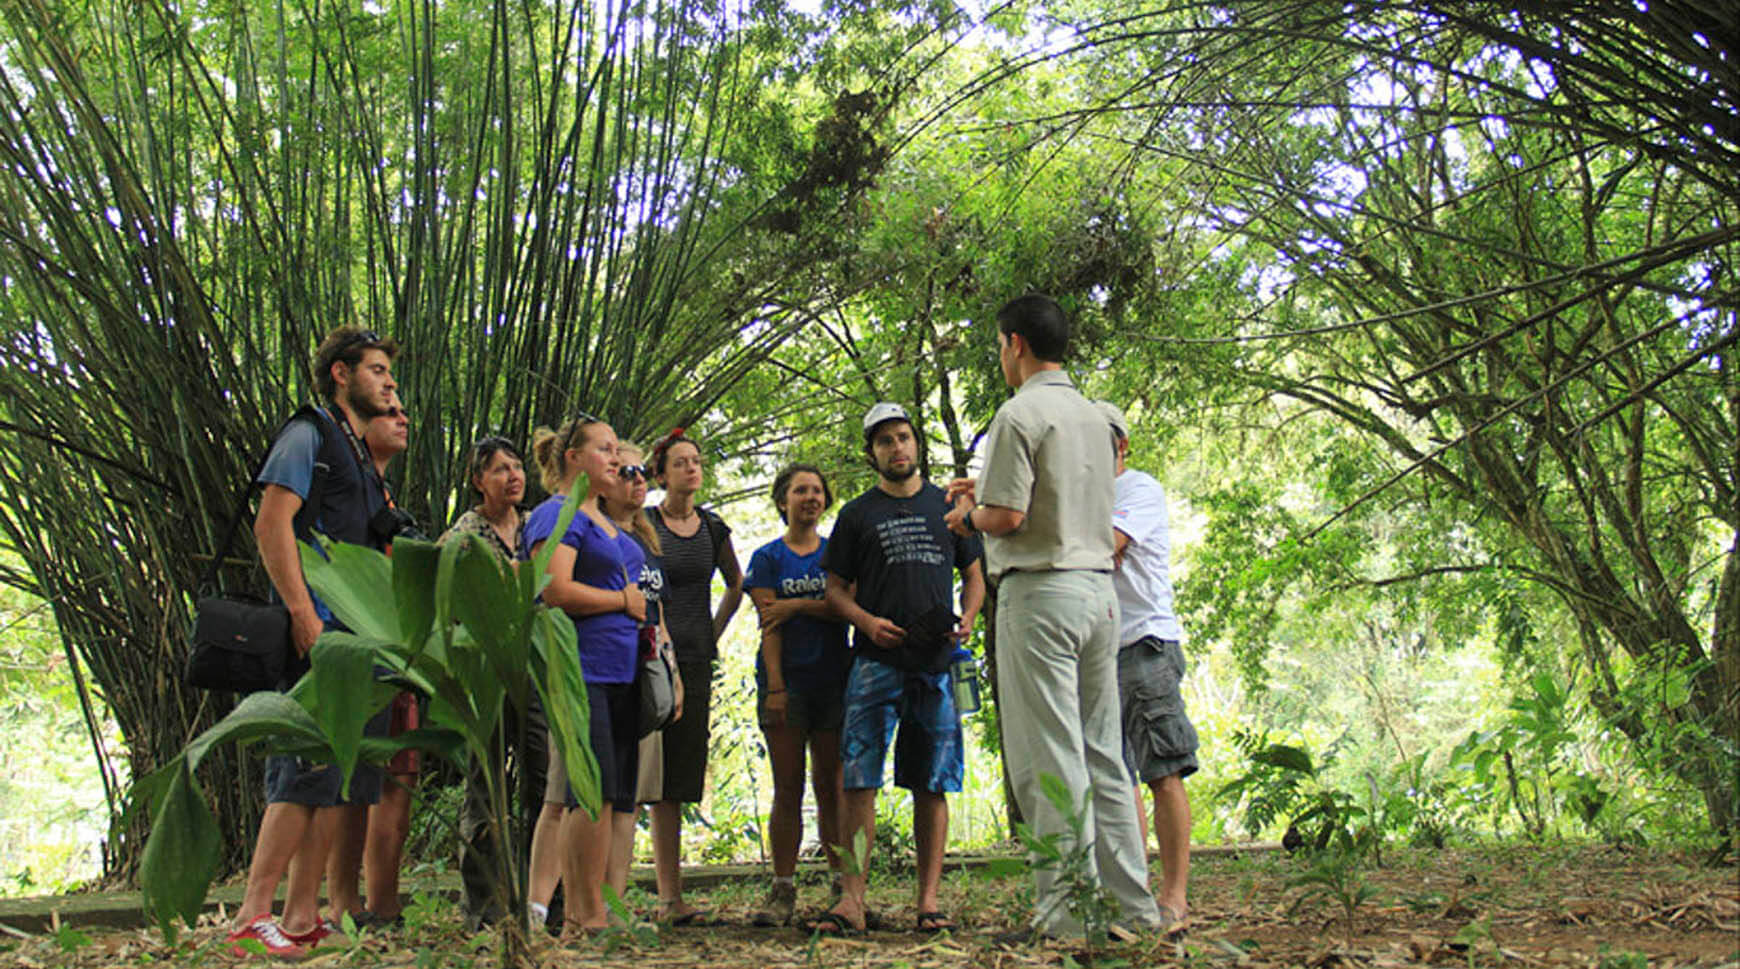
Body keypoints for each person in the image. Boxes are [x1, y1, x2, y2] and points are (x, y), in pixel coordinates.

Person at [944, 294, 1161, 942]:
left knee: (1049, 757)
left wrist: (966, 514)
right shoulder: (1096, 419)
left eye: (1000, 346)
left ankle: (1067, 919)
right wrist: (985, 496)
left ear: (1014, 343)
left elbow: (1006, 517)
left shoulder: (1020, 413)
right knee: (1103, 753)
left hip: (1040, 594)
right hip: (1099, 592)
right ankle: (1133, 910)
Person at [227, 326, 401, 958]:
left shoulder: (356, 450)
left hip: (357, 639)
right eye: (377, 370)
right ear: (340, 373)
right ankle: (252, 913)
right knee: (299, 773)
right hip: (319, 633)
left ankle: (301, 916)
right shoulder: (310, 434)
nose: (388, 382)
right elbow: (272, 522)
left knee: (333, 780)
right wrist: (303, 612)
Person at [814, 403, 985, 935]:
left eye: (903, 437)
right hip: (874, 662)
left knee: (932, 782)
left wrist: (970, 618)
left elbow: (975, 572)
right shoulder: (857, 515)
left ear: (917, 444)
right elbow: (835, 590)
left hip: (936, 662)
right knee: (858, 781)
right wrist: (866, 622)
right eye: (885, 441)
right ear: (873, 453)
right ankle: (853, 901)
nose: (896, 448)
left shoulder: (947, 506)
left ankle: (928, 901)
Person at [522, 413, 643, 936]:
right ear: (574, 458)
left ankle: (591, 908)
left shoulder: (607, 522)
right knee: (584, 795)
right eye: (605, 449)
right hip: (580, 669)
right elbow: (554, 590)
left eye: (618, 450)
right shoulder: (558, 515)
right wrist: (621, 600)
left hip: (623, 672)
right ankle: (581, 914)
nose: (617, 459)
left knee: (609, 795)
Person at [1098, 401, 1196, 934]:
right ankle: (1132, 896)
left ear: (1122, 445)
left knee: (1163, 769)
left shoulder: (1138, 489)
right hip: (1098, 654)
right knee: (1116, 777)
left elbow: (1104, 545)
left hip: (1145, 644)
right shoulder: (1081, 497)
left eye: (1103, 439)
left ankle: (1174, 898)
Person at [327, 396, 420, 929]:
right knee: (352, 780)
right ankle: (341, 902)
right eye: (391, 414)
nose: (402, 418)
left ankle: (381, 903)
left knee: (394, 779)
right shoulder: (346, 483)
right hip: (354, 645)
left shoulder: (380, 489)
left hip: (393, 652)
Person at [743, 465, 850, 926]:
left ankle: (841, 885)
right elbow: (770, 625)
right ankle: (783, 889)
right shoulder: (768, 558)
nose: (809, 497)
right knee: (788, 787)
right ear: (782, 500)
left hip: (834, 681)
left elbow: (845, 608)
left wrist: (801, 605)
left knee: (833, 787)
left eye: (817, 490)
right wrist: (777, 687)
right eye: (799, 490)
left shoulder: (837, 555)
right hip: (786, 683)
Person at [644, 430, 743, 924]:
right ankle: (647, 894)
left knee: (680, 775)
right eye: (680, 462)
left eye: (697, 461)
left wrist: (713, 631)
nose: (691, 469)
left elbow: (736, 583)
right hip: (646, 658)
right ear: (660, 474)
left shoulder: (712, 527)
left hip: (695, 658)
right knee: (644, 770)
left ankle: (672, 895)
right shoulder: (641, 523)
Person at [445, 436, 543, 929]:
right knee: (485, 787)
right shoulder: (466, 531)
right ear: (478, 480)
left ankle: (538, 897)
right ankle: (481, 907)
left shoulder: (536, 524)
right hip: (485, 671)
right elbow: (449, 591)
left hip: (535, 667)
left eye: (518, 466)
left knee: (542, 781)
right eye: (500, 469)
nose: (513, 476)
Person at [599, 442, 682, 903]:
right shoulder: (595, 535)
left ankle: (616, 898)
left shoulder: (648, 540)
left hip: (647, 672)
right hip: (609, 670)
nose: (637, 479)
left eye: (641, 471)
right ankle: (589, 899)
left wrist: (673, 672)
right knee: (603, 793)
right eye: (625, 471)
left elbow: (658, 613)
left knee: (633, 794)